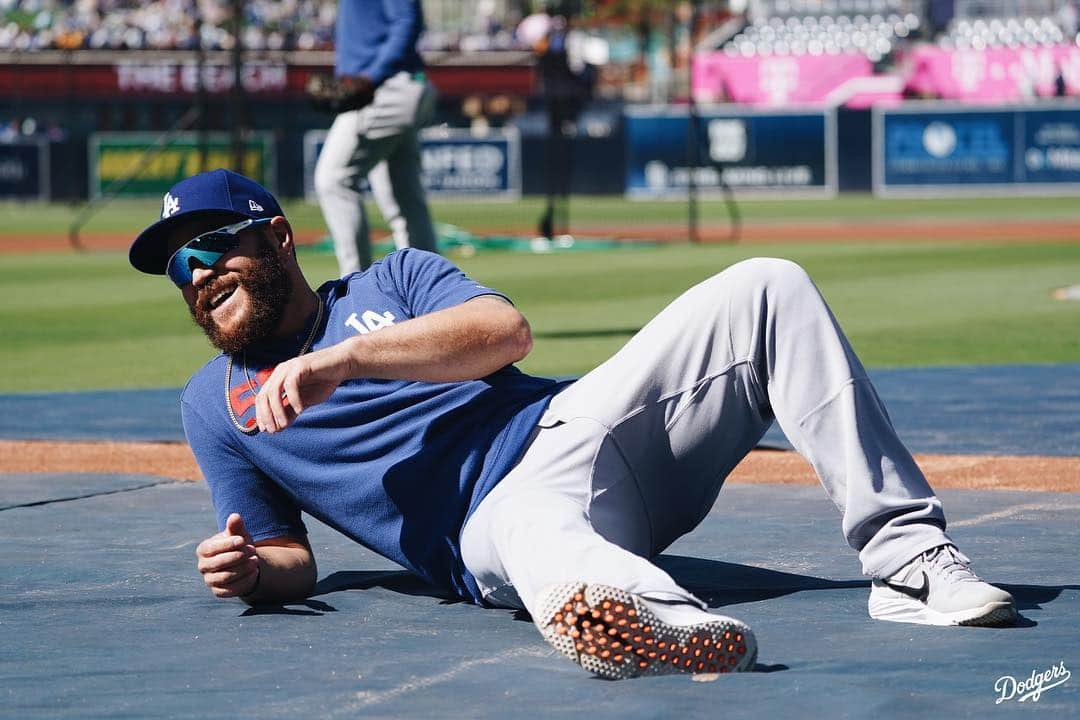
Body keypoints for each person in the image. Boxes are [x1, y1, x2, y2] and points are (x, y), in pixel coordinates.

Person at [129, 169, 1017, 681]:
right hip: (485, 527)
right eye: (176, 269)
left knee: (768, 285)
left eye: (213, 247)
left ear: (279, 239)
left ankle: (906, 563)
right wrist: (249, 571)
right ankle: (652, 620)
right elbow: (288, 556)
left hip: (577, 431)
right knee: (531, 537)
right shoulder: (213, 403)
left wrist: (345, 360)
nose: (196, 273)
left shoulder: (390, 280)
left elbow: (503, 332)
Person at [312, 0, 438, 276]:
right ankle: (432, 287)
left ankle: (358, 285)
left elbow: (407, 21)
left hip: (385, 87)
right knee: (404, 197)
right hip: (395, 86)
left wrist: (371, 76)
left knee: (334, 180)